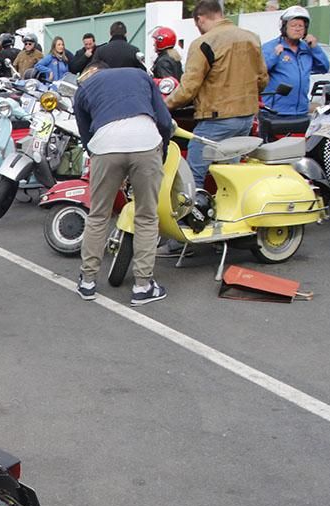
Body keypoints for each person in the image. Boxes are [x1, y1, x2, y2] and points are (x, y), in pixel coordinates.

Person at [73, 61, 172, 306]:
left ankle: (87, 281)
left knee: (98, 215)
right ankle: (143, 286)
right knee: (147, 216)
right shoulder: (140, 75)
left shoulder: (85, 86)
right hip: (146, 142)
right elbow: (165, 120)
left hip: (105, 146)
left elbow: (85, 131)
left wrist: (95, 154)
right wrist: (163, 147)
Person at [166, 0, 268, 188]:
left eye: (197, 25)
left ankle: (190, 215)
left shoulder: (203, 43)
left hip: (215, 119)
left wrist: (165, 105)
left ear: (200, 19)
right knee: (230, 174)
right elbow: (262, 79)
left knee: (193, 177)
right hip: (246, 117)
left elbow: (189, 87)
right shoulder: (251, 38)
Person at [261, 6, 328, 123]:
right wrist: (275, 56)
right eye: (293, 25)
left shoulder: (307, 49)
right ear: (284, 27)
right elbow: (260, 71)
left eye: (300, 26)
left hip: (301, 111)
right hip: (275, 112)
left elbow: (324, 68)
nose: (297, 29)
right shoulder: (270, 47)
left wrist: (315, 48)